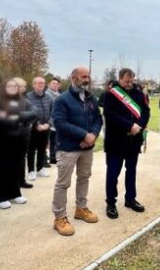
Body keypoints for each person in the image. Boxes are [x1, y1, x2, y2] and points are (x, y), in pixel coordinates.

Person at [51, 67, 102, 236]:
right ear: (73, 77)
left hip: (87, 148)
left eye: (88, 76)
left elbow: (98, 119)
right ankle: (59, 217)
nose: (87, 79)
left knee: (84, 178)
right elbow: (59, 123)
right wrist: (83, 135)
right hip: (67, 148)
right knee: (63, 183)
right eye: (83, 76)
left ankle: (81, 208)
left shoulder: (91, 98)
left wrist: (93, 135)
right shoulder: (62, 100)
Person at [103, 68, 150, 219]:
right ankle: (111, 203)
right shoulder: (111, 94)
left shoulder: (139, 94)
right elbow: (110, 114)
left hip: (133, 141)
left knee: (131, 171)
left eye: (132, 80)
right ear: (120, 79)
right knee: (113, 173)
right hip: (116, 141)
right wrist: (129, 126)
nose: (130, 83)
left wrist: (139, 125)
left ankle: (130, 199)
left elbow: (146, 112)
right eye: (126, 80)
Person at [0, 78, 37, 209]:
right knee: (3, 169)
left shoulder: (24, 101)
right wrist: (20, 120)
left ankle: (15, 193)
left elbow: (34, 113)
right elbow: (0, 120)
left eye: (15, 86)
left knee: (16, 168)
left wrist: (16, 116)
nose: (13, 88)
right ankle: (0, 197)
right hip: (3, 141)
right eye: (9, 86)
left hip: (20, 140)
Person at [26, 76, 53, 181]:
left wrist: (48, 124)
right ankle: (31, 171)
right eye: (38, 83)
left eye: (42, 83)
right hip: (33, 128)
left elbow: (53, 112)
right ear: (33, 85)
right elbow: (28, 112)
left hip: (46, 127)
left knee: (42, 149)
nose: (41, 85)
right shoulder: (27, 97)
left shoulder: (49, 97)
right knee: (31, 150)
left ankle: (40, 168)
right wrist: (37, 124)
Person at [47, 77, 62, 164]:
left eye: (57, 84)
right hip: (48, 121)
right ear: (49, 84)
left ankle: (53, 158)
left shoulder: (60, 95)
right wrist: (49, 121)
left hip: (57, 122)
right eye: (53, 83)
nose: (55, 85)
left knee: (55, 141)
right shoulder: (46, 94)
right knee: (45, 142)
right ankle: (44, 160)